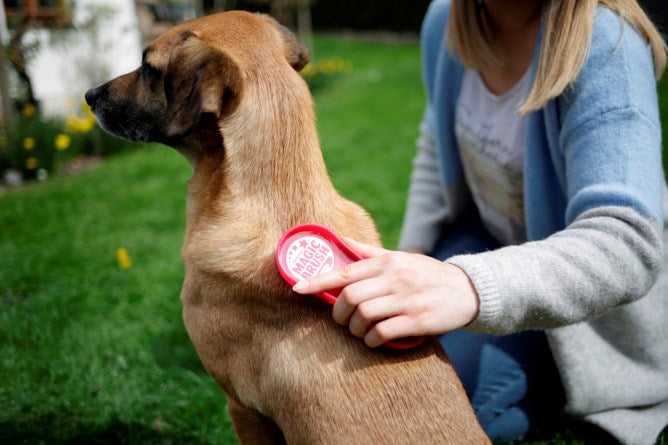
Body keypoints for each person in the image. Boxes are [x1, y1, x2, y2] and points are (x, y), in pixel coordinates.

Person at [292, 0, 668, 443]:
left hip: (584, 319)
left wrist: (466, 286)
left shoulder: (608, 45)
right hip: (482, 242)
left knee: (415, 416)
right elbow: (438, 138)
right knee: (362, 366)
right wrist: (412, 257)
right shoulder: (445, 18)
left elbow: (628, 242)